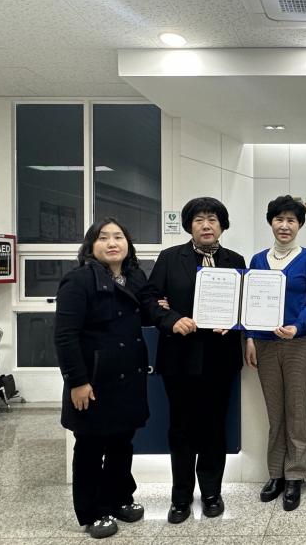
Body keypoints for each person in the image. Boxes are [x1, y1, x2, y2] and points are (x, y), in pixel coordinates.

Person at [141, 197, 245, 524]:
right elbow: (148, 299)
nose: (206, 225)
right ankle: (181, 497)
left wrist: (235, 320)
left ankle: (212, 493)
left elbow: (245, 303)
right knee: (181, 427)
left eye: (212, 219)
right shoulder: (170, 258)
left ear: (222, 226)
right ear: (189, 226)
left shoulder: (235, 260)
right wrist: (171, 319)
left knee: (214, 426)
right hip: (180, 356)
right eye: (199, 220)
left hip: (220, 357)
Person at [55, 218, 149, 539]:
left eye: (118, 237)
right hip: (93, 381)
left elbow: (144, 312)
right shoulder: (78, 280)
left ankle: (119, 497)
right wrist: (77, 381)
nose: (112, 243)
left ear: (127, 244)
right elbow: (65, 336)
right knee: (90, 447)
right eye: (103, 237)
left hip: (128, 378)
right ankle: (92, 512)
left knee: (122, 444)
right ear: (91, 246)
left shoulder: (134, 277)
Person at [244, 195, 306, 511]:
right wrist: (250, 337)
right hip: (264, 344)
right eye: (279, 219)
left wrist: (297, 325)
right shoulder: (257, 260)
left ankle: (295, 475)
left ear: (300, 224)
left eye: (291, 220)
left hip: (298, 343)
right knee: (274, 411)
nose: (285, 225)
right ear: (271, 222)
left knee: (296, 411)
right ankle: (275, 473)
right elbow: (250, 302)